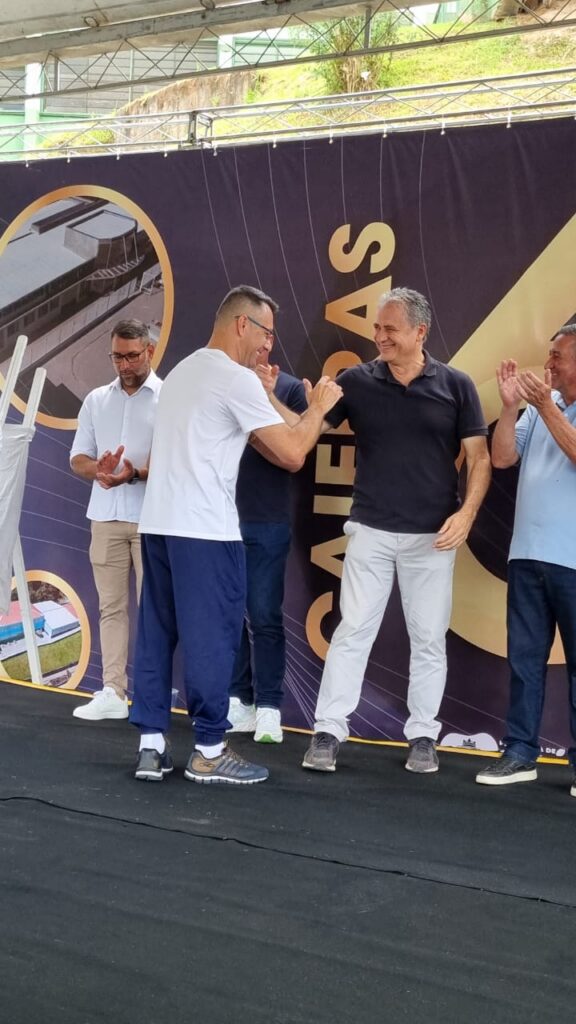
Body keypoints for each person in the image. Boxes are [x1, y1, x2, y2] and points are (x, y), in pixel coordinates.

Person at [112, 285, 341, 785]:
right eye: (266, 333)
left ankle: (151, 747)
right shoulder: (235, 379)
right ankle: (210, 750)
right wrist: (318, 407)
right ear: (242, 324)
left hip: (159, 525)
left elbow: (269, 449)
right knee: (213, 639)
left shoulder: (181, 372)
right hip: (205, 532)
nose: (268, 346)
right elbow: (293, 452)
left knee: (156, 636)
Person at [302, 287, 491, 775]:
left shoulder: (456, 385)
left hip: (432, 538)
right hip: (370, 530)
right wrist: (305, 406)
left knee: (428, 639)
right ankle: (328, 732)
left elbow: (479, 458)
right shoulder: (356, 381)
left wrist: (466, 514)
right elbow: (305, 435)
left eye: (390, 328)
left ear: (420, 332)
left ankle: (423, 736)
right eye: (376, 328)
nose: (379, 336)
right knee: (352, 632)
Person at [476, 327, 576, 795]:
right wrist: (511, 406)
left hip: (572, 563)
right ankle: (519, 753)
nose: (548, 363)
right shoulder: (538, 408)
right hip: (527, 556)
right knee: (524, 661)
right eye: (549, 355)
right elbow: (501, 458)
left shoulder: (547, 407)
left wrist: (545, 407)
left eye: (558, 356)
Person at [69, 319, 161, 721]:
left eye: (132, 356)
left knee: (153, 610)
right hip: (105, 517)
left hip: (151, 520)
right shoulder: (95, 400)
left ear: (150, 351)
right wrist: (100, 470)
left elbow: (175, 462)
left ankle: (153, 693)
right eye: (117, 357)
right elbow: (78, 459)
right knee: (111, 608)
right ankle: (112, 692)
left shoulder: (169, 398)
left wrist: (134, 474)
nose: (124, 365)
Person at [227, 348, 307, 745]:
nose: (259, 344)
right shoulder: (220, 384)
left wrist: (268, 396)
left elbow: (298, 448)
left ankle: (270, 707)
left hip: (267, 518)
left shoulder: (290, 388)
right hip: (219, 517)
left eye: (267, 335)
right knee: (228, 614)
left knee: (263, 614)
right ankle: (238, 700)